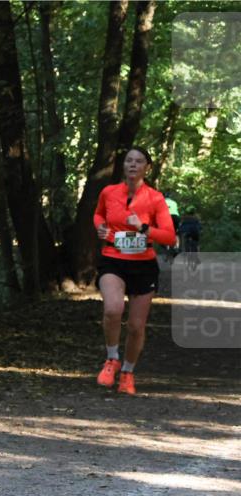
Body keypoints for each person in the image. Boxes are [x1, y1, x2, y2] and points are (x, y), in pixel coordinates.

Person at [94, 147, 176, 395]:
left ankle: (128, 373)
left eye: (138, 161)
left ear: (147, 167)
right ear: (123, 165)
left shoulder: (155, 198)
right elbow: (98, 215)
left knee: (136, 326)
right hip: (113, 260)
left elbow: (169, 236)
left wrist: (143, 228)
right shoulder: (108, 192)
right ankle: (112, 359)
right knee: (112, 309)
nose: (132, 164)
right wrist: (102, 229)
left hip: (143, 265)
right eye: (129, 160)